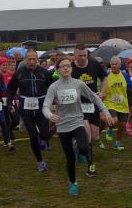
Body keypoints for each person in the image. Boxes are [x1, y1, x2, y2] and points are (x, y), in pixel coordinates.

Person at [43, 58, 114, 195]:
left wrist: (106, 112)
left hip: (77, 122)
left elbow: (94, 98)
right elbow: (45, 106)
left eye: (68, 66)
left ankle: (78, 145)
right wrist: (49, 115)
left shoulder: (78, 84)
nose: (65, 68)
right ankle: (73, 182)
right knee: (70, 158)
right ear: (57, 69)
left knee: (84, 148)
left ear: (71, 68)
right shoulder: (54, 87)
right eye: (62, 66)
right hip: (63, 126)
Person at [6, 50, 54, 171]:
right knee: (33, 136)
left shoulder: (44, 72)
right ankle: (40, 161)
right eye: (29, 59)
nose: (32, 61)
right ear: (25, 59)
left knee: (44, 133)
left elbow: (53, 88)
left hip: (42, 108)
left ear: (37, 59)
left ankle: (43, 140)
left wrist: (53, 103)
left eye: (34, 59)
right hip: (26, 109)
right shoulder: (19, 73)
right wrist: (9, 103)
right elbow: (11, 89)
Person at [99, 56, 132, 151]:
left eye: (115, 64)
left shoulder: (124, 75)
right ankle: (110, 128)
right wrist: (101, 96)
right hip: (110, 103)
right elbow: (102, 88)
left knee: (122, 125)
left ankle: (118, 143)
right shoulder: (107, 75)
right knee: (114, 121)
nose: (113, 66)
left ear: (120, 65)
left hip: (122, 104)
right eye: (112, 64)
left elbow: (131, 87)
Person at [71, 44, 105, 156]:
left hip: (92, 102)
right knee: (86, 131)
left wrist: (102, 91)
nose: (83, 58)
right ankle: (88, 157)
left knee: (95, 136)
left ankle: (77, 141)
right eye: (80, 55)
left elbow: (104, 77)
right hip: (78, 103)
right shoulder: (70, 68)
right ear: (75, 55)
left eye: (85, 55)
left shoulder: (94, 64)